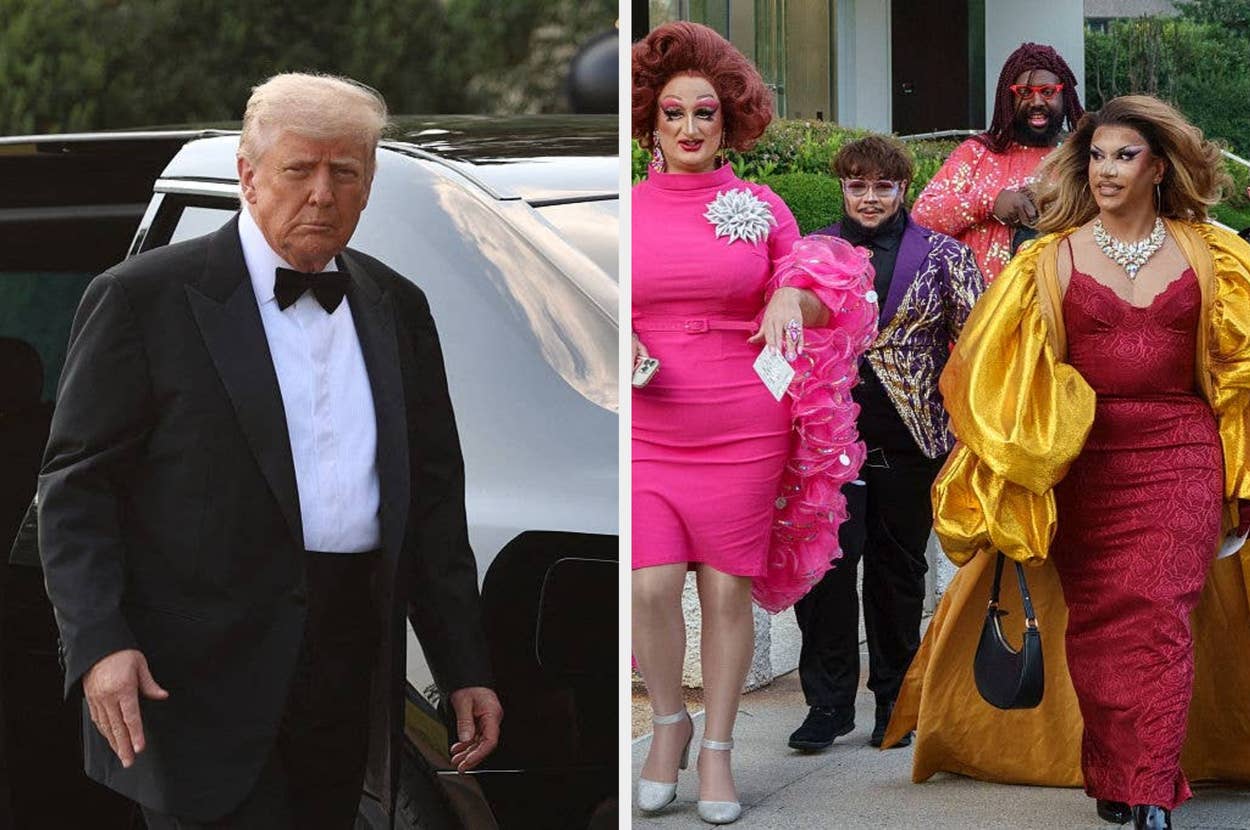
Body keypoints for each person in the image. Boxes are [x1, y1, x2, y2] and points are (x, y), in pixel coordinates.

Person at [37, 73, 502, 829]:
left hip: (349, 665)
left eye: (345, 172)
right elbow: (76, 489)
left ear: (368, 184)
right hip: (189, 680)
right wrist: (99, 645)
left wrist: (464, 668)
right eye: (299, 169)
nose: (322, 192)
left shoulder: (397, 306)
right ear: (248, 176)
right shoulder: (142, 299)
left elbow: (434, 506)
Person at [884, 95, 1250, 830]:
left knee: (1159, 616)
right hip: (1085, 462)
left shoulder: (1217, 253)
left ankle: (1149, 788)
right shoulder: (1045, 260)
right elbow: (992, 375)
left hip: (1181, 452)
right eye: (1097, 154)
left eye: (1126, 155)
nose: (1107, 169)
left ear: (1160, 167)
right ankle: (1117, 771)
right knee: (1099, 624)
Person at [631, 22, 875, 825]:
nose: (691, 128)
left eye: (706, 112)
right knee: (652, 584)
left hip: (743, 419)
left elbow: (827, 289)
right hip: (647, 422)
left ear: (728, 120)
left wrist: (784, 296)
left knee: (727, 593)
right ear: (651, 121)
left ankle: (719, 751)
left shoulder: (761, 207)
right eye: (675, 113)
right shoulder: (623, 209)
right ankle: (670, 724)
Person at [788, 136, 984, 752]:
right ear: (842, 188)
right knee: (825, 571)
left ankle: (896, 699)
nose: (869, 199)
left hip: (911, 437)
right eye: (857, 186)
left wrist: (968, 432)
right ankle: (827, 704)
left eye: (883, 187)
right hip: (824, 436)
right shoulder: (808, 253)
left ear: (904, 189)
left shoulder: (945, 256)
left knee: (898, 572)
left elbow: (977, 349)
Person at [912, 42, 1083, 282]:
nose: (1036, 102)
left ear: (1064, 95)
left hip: (1054, 304)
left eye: (1047, 91)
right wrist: (989, 202)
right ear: (1008, 97)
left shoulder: (1080, 158)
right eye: (1024, 92)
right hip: (978, 308)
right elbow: (922, 216)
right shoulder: (977, 153)